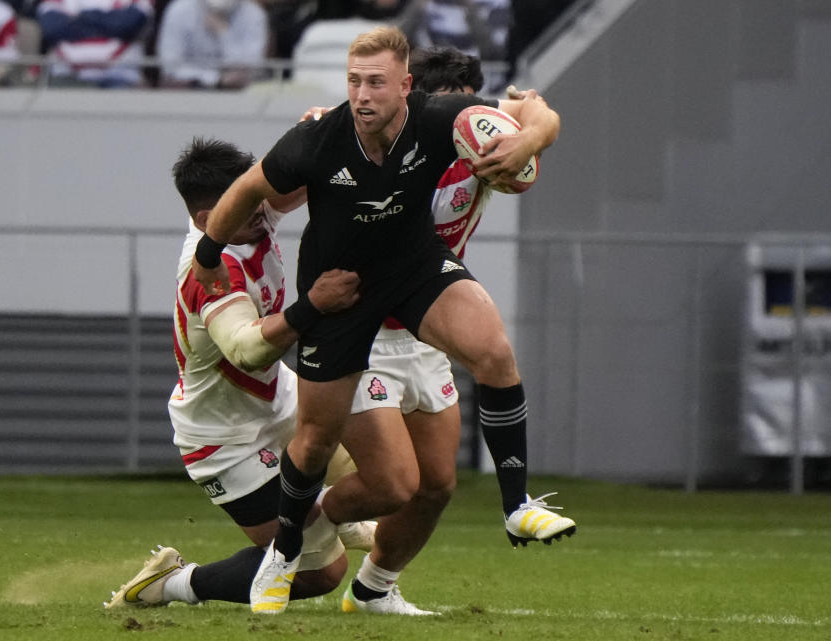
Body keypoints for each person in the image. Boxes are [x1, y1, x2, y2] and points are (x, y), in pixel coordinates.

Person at [191, 25, 562, 615]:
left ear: (408, 89)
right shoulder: (319, 137)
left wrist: (526, 143)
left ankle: (515, 507)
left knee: (491, 357)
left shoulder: (444, 122)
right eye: (354, 82)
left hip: (414, 271)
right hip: (344, 292)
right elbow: (252, 187)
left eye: (375, 84)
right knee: (322, 444)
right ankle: (285, 552)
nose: (362, 95)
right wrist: (209, 251)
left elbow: (538, 112)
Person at [301, 46, 575, 616]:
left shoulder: (484, 132)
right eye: (444, 114)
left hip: (426, 323)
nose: (459, 130)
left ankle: (374, 588)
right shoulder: (366, 133)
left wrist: (526, 140)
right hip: (364, 327)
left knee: (436, 487)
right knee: (391, 484)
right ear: (411, 98)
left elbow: (541, 114)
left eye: (470, 115)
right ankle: (297, 520)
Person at [104, 137, 377, 610]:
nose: (262, 207)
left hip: (278, 398)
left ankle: (326, 513)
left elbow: (307, 176)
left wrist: (339, 127)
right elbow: (247, 350)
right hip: (225, 440)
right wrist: (314, 304)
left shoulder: (245, 216)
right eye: (246, 202)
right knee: (321, 575)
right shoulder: (207, 270)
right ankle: (172, 583)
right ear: (210, 221)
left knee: (377, 465)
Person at [36, 0, 153, 87]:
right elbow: (53, 27)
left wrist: (80, 17)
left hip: (120, 75)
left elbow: (126, 25)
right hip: (66, 75)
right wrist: (107, 21)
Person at [156, 0, 268, 90]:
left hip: (236, 93)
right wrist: (216, 80)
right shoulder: (179, 9)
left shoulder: (253, 14)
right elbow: (170, 67)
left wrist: (224, 34)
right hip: (188, 91)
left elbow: (249, 67)